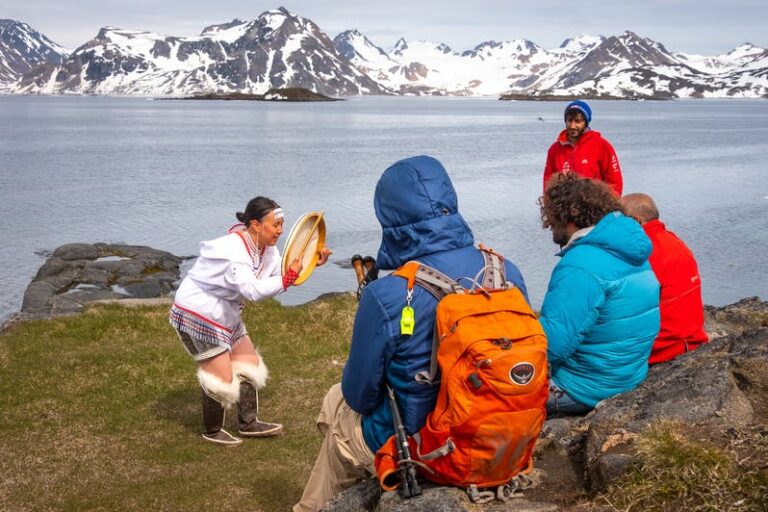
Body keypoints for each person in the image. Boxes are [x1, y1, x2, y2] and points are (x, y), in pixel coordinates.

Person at [293, 155, 529, 512]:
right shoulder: (505, 270)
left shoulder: (388, 293)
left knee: (340, 420)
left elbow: (360, 396)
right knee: (334, 401)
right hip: (500, 430)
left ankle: (319, 506)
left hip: (424, 439)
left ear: (389, 218)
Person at [169, 196, 332, 445]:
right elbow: (253, 291)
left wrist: (312, 263)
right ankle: (211, 431)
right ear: (255, 225)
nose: (280, 230)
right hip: (197, 311)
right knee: (221, 377)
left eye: (281, 224)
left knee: (249, 363)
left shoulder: (266, 249)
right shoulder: (233, 252)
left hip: (226, 313)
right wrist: (288, 278)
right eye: (275, 224)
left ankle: (248, 424)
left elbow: (283, 275)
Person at [538, 174, 659, 416]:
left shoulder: (580, 264)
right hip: (628, 376)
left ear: (567, 214)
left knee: (478, 389)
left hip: (581, 389)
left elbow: (552, 346)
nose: (549, 224)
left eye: (551, 216)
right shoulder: (627, 248)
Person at [621, 193, 708, 364]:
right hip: (692, 340)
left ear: (635, 221)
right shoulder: (675, 241)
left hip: (663, 350)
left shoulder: (643, 253)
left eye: (619, 220)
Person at [543, 100, 623, 196]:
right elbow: (548, 183)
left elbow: (614, 181)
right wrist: (549, 205)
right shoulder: (555, 149)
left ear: (586, 122)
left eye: (577, 121)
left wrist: (610, 206)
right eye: (569, 120)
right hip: (564, 207)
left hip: (595, 206)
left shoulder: (601, 145)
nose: (572, 126)